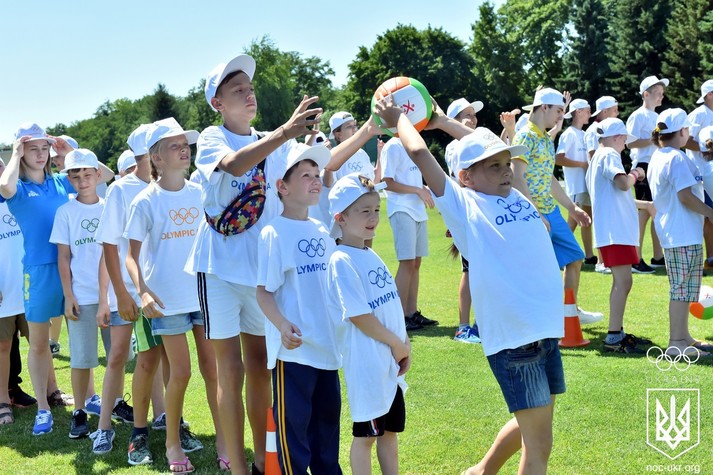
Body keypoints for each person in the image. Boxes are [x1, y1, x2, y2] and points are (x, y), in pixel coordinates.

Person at [374, 96, 565, 475]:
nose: (506, 171)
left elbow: (484, 144)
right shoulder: (465, 206)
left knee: (535, 424)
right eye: (494, 167)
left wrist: (444, 121)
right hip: (517, 338)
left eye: (506, 164)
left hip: (544, 330)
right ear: (466, 177)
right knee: (540, 443)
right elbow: (421, 155)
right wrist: (399, 120)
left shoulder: (516, 195)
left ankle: (481, 472)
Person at [185, 53, 319, 475]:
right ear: (218, 103)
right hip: (219, 270)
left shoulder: (274, 141)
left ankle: (264, 460)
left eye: (251, 88)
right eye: (237, 90)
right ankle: (239, 466)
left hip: (260, 275)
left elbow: (314, 168)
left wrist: (367, 130)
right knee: (230, 370)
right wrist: (285, 132)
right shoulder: (212, 137)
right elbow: (234, 164)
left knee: (261, 366)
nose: (249, 95)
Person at [125, 118, 223, 473]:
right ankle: (172, 443)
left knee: (214, 371)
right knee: (180, 373)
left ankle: (225, 440)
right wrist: (142, 292)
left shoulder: (200, 192)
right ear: (156, 158)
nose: (184, 150)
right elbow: (130, 256)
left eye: (185, 145)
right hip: (166, 303)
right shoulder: (144, 201)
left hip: (204, 295)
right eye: (174, 146)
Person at [0, 123, 99, 435]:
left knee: (80, 337)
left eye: (45, 148)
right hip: (40, 272)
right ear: (22, 152)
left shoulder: (60, 181)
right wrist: (15, 152)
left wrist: (71, 153)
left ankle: (89, 397)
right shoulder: (18, 188)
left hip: (72, 268)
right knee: (40, 343)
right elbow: (4, 185)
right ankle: (43, 407)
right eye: (34, 149)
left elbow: (104, 177)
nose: (41, 154)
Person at [256, 143, 342, 475]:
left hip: (327, 349)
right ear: (282, 186)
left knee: (327, 431)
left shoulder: (321, 230)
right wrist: (282, 325)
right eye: (305, 175)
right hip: (294, 353)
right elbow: (263, 292)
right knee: (294, 436)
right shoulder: (273, 233)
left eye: (317, 174)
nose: (315, 180)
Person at [325, 173, 410, 475]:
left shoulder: (368, 252)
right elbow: (359, 316)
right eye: (364, 211)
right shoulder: (341, 259)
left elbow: (389, 305)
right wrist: (396, 343)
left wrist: (402, 345)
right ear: (341, 218)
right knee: (366, 437)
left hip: (388, 360)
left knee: (389, 433)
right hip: (368, 364)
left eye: (376, 209)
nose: (373, 217)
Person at [93, 123, 164, 463]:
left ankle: (163, 417)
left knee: (157, 355)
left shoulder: (164, 185)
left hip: (158, 291)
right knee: (119, 355)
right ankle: (104, 426)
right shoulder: (120, 190)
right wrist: (119, 293)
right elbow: (109, 246)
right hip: (126, 292)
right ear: (146, 153)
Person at [511, 88, 603, 325]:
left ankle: (569, 311)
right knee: (538, 270)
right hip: (532, 215)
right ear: (544, 107)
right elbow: (517, 178)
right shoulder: (525, 136)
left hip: (550, 212)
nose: (562, 116)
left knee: (575, 257)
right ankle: (538, 319)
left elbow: (549, 178)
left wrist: (572, 208)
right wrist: (535, 213)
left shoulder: (544, 138)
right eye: (559, 111)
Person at [49, 148, 108, 438]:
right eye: (76, 176)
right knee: (82, 359)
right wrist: (69, 295)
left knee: (117, 357)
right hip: (81, 297)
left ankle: (113, 406)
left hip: (112, 297)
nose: (82, 180)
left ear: (98, 174)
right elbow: (63, 257)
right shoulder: (66, 212)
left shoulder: (110, 207)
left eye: (87, 174)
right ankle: (80, 411)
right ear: (69, 179)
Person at [647, 108, 713, 357]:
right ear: (682, 131)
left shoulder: (661, 155)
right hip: (681, 233)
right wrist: (710, 212)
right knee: (681, 290)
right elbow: (685, 196)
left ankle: (684, 336)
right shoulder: (675, 158)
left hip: (679, 232)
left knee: (685, 290)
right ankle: (676, 343)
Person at [585, 119, 653, 354]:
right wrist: (636, 173)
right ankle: (614, 336)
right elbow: (623, 184)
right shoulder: (608, 155)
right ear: (616, 137)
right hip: (615, 231)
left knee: (622, 281)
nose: (625, 145)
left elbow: (615, 194)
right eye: (624, 139)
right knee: (624, 282)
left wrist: (645, 204)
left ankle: (617, 333)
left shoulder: (598, 157)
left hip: (614, 230)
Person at [381, 136, 438, 331]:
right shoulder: (393, 146)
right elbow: (386, 182)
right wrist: (417, 190)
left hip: (417, 209)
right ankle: (398, 318)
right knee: (407, 262)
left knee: (416, 263)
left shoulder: (414, 142)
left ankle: (411, 313)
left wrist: (422, 189)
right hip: (401, 208)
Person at [445, 98, 484, 344]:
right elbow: (462, 181)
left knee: (482, 270)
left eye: (473, 114)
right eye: (466, 115)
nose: (473, 118)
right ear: (453, 121)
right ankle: (463, 327)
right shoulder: (455, 146)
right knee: (470, 271)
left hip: (478, 214)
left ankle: (481, 323)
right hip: (467, 215)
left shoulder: (474, 141)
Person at [0, 157, 35, 425]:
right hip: (4, 291)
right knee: (3, 346)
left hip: (30, 285)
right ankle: (3, 401)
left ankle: (50, 392)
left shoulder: (21, 197)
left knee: (38, 342)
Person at [626, 75, 669, 273]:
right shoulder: (638, 115)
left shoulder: (657, 116)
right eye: (657, 93)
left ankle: (658, 257)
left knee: (656, 211)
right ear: (646, 94)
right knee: (643, 213)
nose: (661, 97)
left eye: (662, 93)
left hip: (656, 166)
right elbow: (629, 142)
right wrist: (653, 140)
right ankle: (635, 259)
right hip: (642, 167)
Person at [556, 99, 595, 265]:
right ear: (578, 112)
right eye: (587, 111)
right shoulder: (569, 134)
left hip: (585, 184)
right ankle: (558, 255)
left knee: (587, 220)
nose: (590, 114)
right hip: (575, 185)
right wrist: (582, 164)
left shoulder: (584, 134)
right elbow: (558, 158)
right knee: (572, 222)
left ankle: (589, 256)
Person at [685, 79, 713, 268]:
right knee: (707, 216)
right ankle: (710, 258)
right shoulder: (698, 114)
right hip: (701, 175)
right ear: (709, 95)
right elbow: (686, 141)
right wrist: (707, 148)